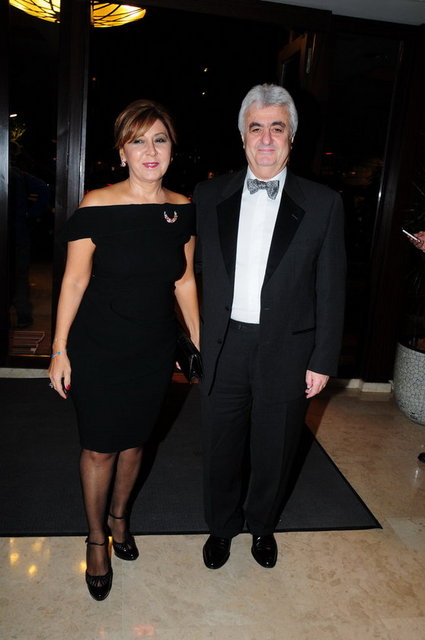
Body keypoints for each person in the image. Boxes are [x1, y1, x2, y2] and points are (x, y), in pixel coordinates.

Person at [49, 99, 199, 600]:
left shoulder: (182, 208)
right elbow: (74, 281)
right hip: (98, 346)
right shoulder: (97, 204)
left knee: (135, 443)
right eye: (138, 141)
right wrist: (59, 349)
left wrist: (198, 341)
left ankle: (119, 518)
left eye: (159, 139)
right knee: (98, 447)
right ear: (122, 152)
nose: (149, 150)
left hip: (152, 348)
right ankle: (96, 539)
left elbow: (184, 281)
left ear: (172, 149)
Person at [193, 84, 346, 570]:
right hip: (224, 345)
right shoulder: (208, 195)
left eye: (276, 128)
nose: (265, 139)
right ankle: (221, 527)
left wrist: (322, 359)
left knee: (275, 447)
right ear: (242, 136)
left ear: (291, 138)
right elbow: (190, 274)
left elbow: (331, 288)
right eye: (255, 127)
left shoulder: (323, 203)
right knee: (220, 445)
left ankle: (261, 525)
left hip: (288, 349)